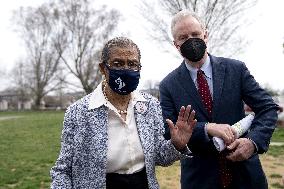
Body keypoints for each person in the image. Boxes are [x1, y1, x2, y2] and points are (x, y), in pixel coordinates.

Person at [50, 37, 197, 189]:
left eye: (132, 64)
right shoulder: (78, 113)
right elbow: (63, 170)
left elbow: (159, 157)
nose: (125, 69)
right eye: (118, 63)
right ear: (103, 68)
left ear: (139, 68)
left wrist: (176, 145)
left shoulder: (150, 105)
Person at [159, 10, 279, 189]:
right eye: (183, 37)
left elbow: (268, 108)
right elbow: (169, 130)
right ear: (176, 44)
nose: (191, 40)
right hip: (200, 180)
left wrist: (253, 143)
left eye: (195, 34)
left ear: (205, 35)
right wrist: (207, 128)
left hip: (246, 177)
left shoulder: (236, 70)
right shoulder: (168, 85)